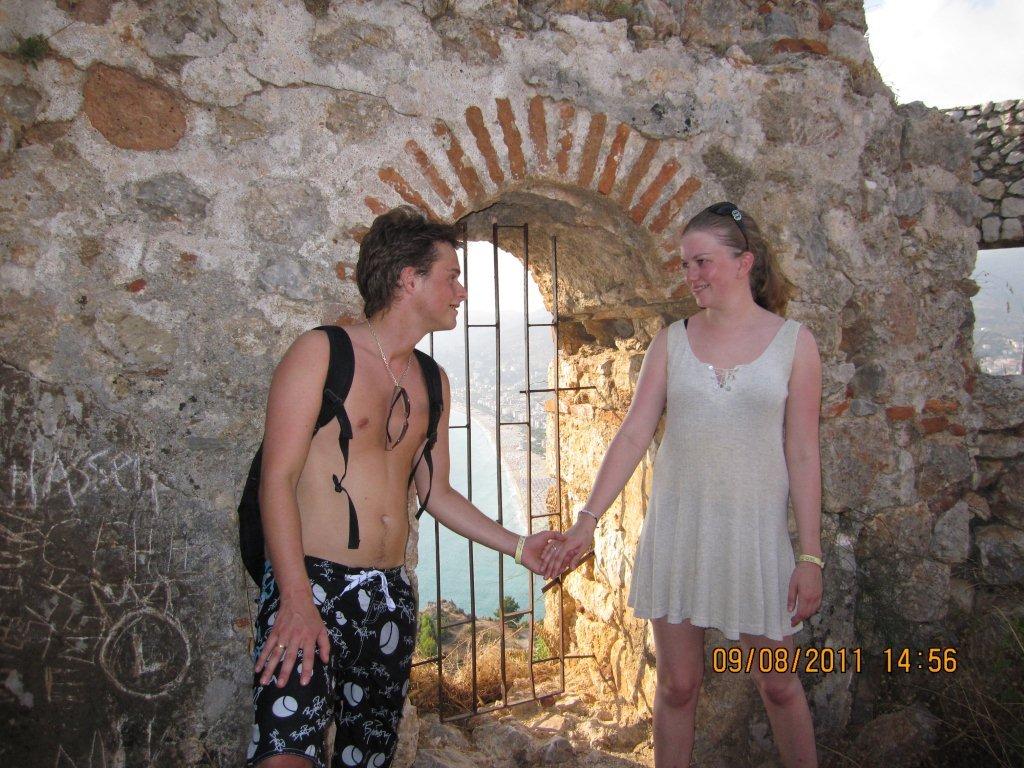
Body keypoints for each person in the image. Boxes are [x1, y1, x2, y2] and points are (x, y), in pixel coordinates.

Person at [246, 206, 565, 768]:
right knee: (285, 752)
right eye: (452, 276)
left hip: (389, 596)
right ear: (408, 278)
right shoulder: (321, 353)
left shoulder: (433, 381)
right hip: (312, 583)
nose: (461, 292)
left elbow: (437, 494)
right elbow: (278, 478)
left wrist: (520, 547)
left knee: (368, 756)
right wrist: (294, 599)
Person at [545, 202, 823, 768]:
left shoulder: (795, 344)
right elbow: (632, 434)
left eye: (702, 262)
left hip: (753, 539)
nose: (691, 275)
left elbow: (802, 452)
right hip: (679, 534)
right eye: (685, 264)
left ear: (744, 262)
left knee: (779, 685)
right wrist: (586, 520)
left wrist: (811, 557)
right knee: (676, 686)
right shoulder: (672, 341)